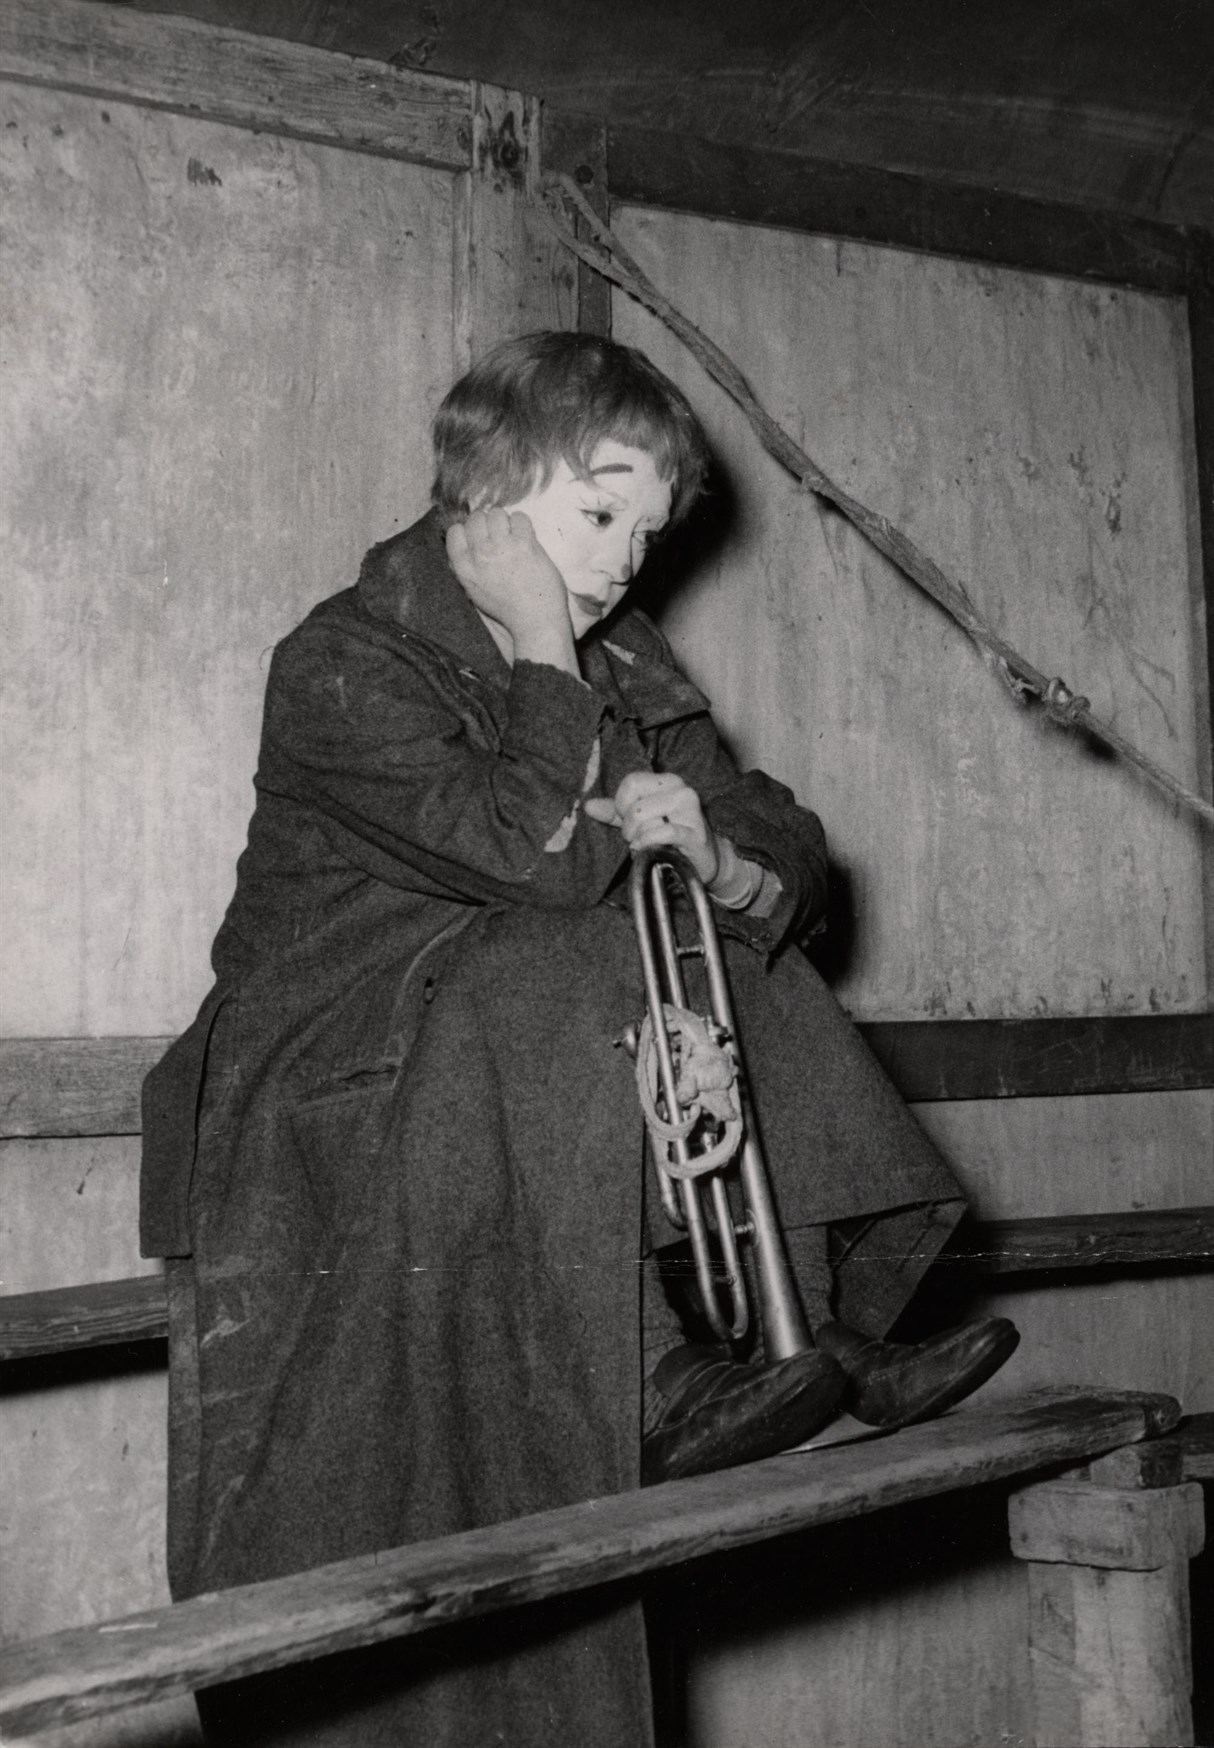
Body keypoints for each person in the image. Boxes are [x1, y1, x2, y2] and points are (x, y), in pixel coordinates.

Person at [140, 331, 1018, 1746]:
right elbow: (530, 858)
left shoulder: (623, 651)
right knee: (559, 948)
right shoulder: (344, 659)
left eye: (646, 534)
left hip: (500, 1060)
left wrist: (722, 857)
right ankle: (669, 1369)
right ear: (490, 496)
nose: (621, 564)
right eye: (598, 515)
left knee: (715, 933)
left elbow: (775, 822)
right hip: (326, 1075)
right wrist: (549, 656)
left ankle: (805, 1326)